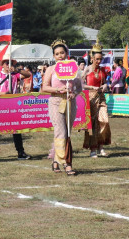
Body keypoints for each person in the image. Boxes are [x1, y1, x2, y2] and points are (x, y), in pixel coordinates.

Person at [42, 40, 81, 176]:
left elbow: (79, 86)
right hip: (55, 102)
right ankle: (67, 163)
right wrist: (58, 89)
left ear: (67, 53)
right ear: (54, 56)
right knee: (61, 132)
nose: (60, 56)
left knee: (67, 132)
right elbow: (44, 87)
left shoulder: (73, 68)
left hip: (70, 102)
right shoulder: (51, 69)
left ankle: (55, 160)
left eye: (62, 53)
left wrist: (74, 93)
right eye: (57, 54)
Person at [0, 53, 32, 160]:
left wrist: (17, 70)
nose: (9, 65)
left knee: (16, 129)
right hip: (1, 104)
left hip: (13, 104)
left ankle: (20, 152)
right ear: (2, 65)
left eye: (10, 63)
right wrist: (4, 94)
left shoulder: (15, 75)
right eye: (7, 63)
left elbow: (28, 75)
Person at [82, 40, 111, 158]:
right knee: (93, 124)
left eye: (100, 59)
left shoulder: (103, 70)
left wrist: (105, 86)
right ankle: (93, 148)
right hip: (90, 98)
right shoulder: (87, 69)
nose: (99, 61)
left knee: (104, 121)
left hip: (101, 97)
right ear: (92, 58)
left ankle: (101, 146)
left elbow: (107, 83)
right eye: (97, 59)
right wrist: (91, 87)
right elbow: (80, 84)